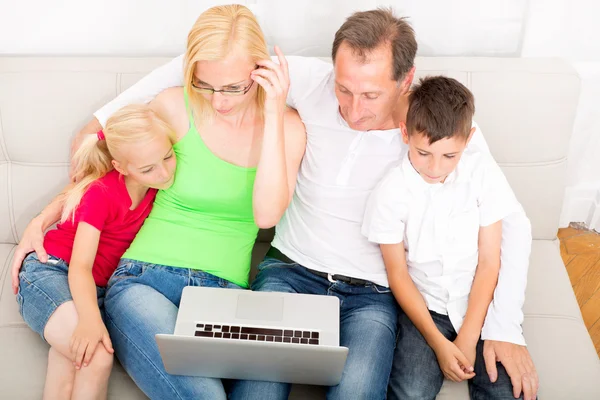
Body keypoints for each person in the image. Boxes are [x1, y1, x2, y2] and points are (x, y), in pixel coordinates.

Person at [14, 7, 539, 400]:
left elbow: (509, 224)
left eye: (371, 95)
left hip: (367, 291)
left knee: (360, 391)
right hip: (263, 273)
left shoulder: (437, 128)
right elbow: (202, 71)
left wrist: (503, 328)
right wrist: (61, 200)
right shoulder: (302, 84)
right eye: (343, 89)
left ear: (406, 78)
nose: (352, 109)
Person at [11, 4, 306, 400]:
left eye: (234, 87)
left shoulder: (287, 126)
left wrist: (271, 111)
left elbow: (267, 213)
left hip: (224, 296)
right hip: (143, 280)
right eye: (205, 85)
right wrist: (41, 218)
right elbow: (115, 171)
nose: (218, 101)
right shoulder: (172, 106)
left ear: (261, 71)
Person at [362, 75, 526, 399]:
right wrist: (439, 344)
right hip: (426, 310)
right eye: (424, 153)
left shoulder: (481, 173)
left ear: (469, 140)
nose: (435, 168)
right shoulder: (390, 192)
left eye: (449, 156)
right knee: (409, 391)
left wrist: (468, 335)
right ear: (405, 133)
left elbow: (490, 261)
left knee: (507, 390)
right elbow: (397, 273)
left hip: (478, 304)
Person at [12, 104, 177, 400]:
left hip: (94, 288)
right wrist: (90, 320)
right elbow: (80, 266)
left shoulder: (157, 188)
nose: (164, 172)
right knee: (95, 355)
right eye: (148, 168)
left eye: (167, 157)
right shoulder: (103, 193)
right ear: (121, 167)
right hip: (52, 270)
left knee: (67, 370)